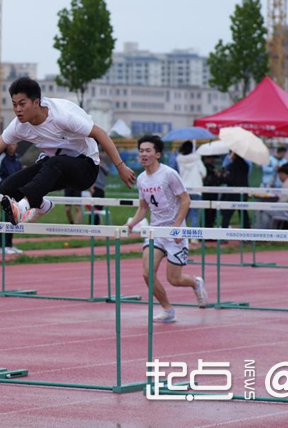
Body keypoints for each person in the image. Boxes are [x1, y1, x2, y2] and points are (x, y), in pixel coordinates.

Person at [0, 77, 136, 225]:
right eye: (14, 104)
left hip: (85, 168)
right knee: (7, 188)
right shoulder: (18, 125)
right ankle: (42, 206)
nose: (18, 110)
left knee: (54, 162)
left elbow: (100, 133)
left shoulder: (62, 116)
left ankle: (23, 207)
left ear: (37, 102)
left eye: (22, 104)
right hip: (55, 167)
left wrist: (121, 166)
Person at [125, 135, 207, 323]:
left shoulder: (169, 174)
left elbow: (185, 200)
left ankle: (195, 283)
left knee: (174, 279)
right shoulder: (141, 179)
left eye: (148, 151)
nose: (143, 154)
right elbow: (143, 208)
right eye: (141, 151)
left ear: (158, 154)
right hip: (156, 233)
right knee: (147, 274)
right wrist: (131, 224)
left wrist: (177, 226)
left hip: (175, 233)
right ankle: (168, 309)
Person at [0, 143, 23, 254]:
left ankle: (9, 245)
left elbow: (20, 173)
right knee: (5, 218)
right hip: (5, 193)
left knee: (13, 218)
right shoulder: (2, 157)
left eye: (13, 144)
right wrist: (5, 185)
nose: (11, 146)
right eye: (9, 144)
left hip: (16, 192)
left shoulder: (17, 158)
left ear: (17, 145)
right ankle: (2, 246)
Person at [176, 141, 205, 227]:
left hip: (184, 189)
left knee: (184, 213)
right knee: (195, 213)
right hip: (196, 188)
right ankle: (194, 233)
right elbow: (203, 172)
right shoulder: (197, 159)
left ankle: (181, 231)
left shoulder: (179, 159)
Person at [219, 151, 250, 229]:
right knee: (243, 215)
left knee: (226, 215)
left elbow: (229, 180)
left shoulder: (231, 166)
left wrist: (222, 175)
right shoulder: (245, 165)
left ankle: (223, 232)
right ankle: (248, 233)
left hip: (232, 194)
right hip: (243, 193)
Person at [88, 155, 110, 225]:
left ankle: (97, 224)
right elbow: (89, 175)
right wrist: (91, 187)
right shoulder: (92, 162)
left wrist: (102, 166)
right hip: (95, 187)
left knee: (99, 208)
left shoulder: (103, 164)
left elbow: (107, 173)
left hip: (101, 188)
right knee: (94, 207)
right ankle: (92, 224)